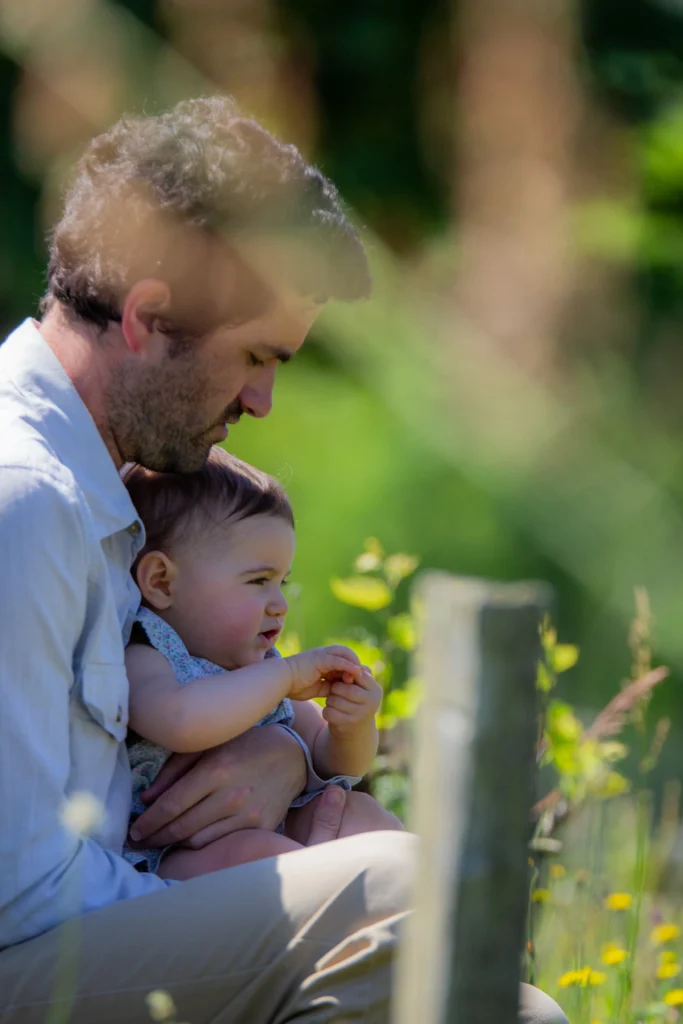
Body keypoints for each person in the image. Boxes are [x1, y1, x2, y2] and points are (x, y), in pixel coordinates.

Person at [0, 95, 568, 1023]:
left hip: (99, 930)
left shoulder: (121, 483)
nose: (262, 403)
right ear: (146, 317)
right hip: (29, 959)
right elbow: (16, 890)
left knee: (514, 1011)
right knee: (394, 889)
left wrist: (277, 763)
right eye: (255, 356)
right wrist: (279, 887)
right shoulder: (23, 496)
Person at [122, 447, 403, 879]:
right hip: (180, 851)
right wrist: (284, 677)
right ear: (161, 581)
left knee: (366, 819)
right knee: (262, 858)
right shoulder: (149, 654)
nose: (280, 604)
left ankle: (426, 918)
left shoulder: (257, 663)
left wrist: (352, 725)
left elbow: (335, 763)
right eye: (258, 581)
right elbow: (180, 720)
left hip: (273, 819)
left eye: (282, 582)